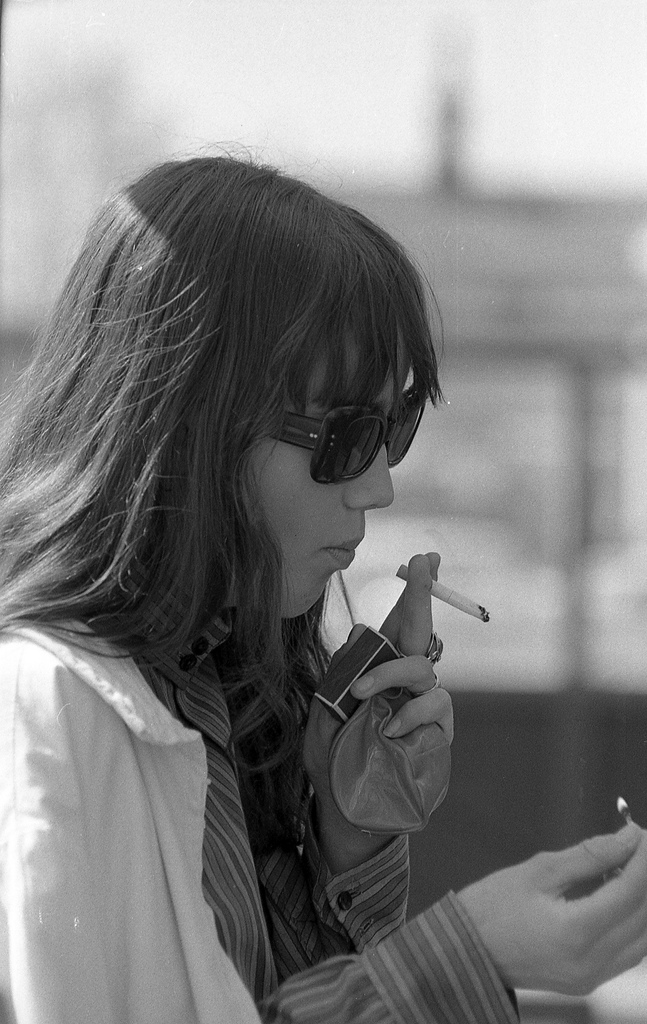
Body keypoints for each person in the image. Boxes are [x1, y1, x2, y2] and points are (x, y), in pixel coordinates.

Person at [0, 155, 646, 1024]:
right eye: (348, 436)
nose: (378, 486)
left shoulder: (214, 690)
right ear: (193, 423)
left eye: (394, 430)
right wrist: (471, 954)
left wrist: (345, 838)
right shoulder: (44, 711)